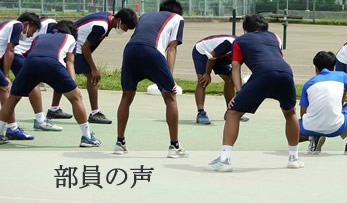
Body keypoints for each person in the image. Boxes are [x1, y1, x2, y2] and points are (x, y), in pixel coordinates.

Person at [207, 14, 302, 172]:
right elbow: (277, 57)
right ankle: (294, 158)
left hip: (263, 74)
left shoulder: (240, 41)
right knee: (290, 113)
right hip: (286, 73)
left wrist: (239, 92)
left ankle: (224, 160)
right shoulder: (274, 37)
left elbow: (236, 67)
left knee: (233, 113)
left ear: (245, 30)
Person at [0, 21, 102, 147]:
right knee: (76, 98)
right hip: (52, 64)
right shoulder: (70, 38)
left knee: (13, 98)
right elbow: (70, 62)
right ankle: (87, 137)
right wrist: (72, 84)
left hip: (30, 64)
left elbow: (33, 53)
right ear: (71, 32)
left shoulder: (39, 37)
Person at [114, 0, 188, 158]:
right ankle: (174, 146)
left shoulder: (146, 15)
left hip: (130, 51)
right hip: (152, 52)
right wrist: (170, 78)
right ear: (178, 12)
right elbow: (172, 48)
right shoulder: (177, 18)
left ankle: (120, 142)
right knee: (170, 96)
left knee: (126, 96)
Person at [46, 9, 138, 125]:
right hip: (76, 47)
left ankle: (54, 109)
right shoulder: (102, 26)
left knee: (62, 76)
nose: (125, 31)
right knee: (92, 77)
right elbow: (86, 48)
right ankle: (95, 113)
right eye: (126, 27)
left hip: (73, 45)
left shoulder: (108, 19)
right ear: (119, 20)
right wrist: (94, 68)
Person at [1, 13, 63, 133]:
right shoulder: (18, 26)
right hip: (14, 54)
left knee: (4, 88)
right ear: (26, 24)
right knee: (32, 80)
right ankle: (39, 120)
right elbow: (10, 50)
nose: (32, 35)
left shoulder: (9, 25)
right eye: (33, 31)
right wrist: (7, 75)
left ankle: (12, 127)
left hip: (10, 55)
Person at [300, 51, 347, 155]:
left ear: (316, 68)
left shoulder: (308, 84)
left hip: (311, 128)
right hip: (336, 128)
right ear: (334, 66)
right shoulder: (342, 76)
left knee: (291, 127)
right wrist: (345, 106)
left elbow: (303, 114)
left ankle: (312, 137)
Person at [192, 34, 249, 124]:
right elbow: (211, 56)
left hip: (218, 57)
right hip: (203, 52)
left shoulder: (246, 50)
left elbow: (236, 68)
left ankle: (230, 112)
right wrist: (207, 73)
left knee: (231, 79)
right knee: (203, 80)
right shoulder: (230, 43)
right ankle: (201, 113)